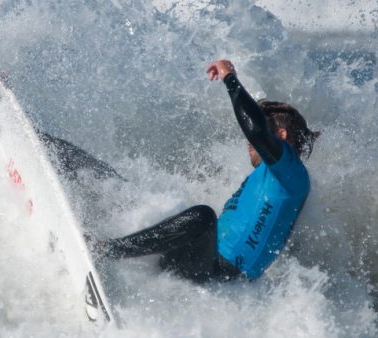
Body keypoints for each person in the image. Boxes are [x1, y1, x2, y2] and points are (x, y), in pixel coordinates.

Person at [94, 59, 319, 282]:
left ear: (281, 136)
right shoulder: (267, 177)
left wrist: (230, 78)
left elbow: (257, 132)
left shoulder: (293, 175)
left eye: (257, 138)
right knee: (125, 189)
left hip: (221, 276)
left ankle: (107, 250)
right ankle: (67, 161)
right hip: (197, 262)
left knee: (203, 217)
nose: (249, 143)